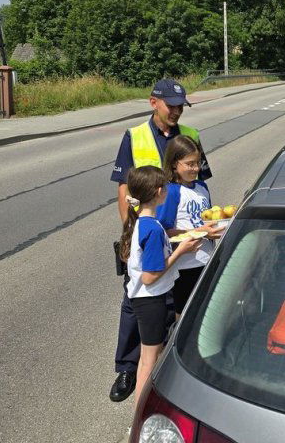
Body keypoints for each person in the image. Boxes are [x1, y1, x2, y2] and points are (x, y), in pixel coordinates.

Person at [108, 78, 211, 403]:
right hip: (145, 230)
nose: (176, 111)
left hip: (176, 232)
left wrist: (208, 222)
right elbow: (124, 187)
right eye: (171, 105)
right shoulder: (135, 136)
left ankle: (168, 358)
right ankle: (127, 366)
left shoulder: (190, 136)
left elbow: (202, 186)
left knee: (172, 298)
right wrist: (131, 233)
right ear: (154, 102)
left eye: (181, 106)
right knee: (135, 300)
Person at [118, 165, 202, 407]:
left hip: (146, 299)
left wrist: (181, 243)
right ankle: (141, 411)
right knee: (149, 360)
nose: (167, 189)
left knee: (149, 356)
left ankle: (142, 406)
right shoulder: (153, 229)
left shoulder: (142, 222)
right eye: (164, 186)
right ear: (158, 192)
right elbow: (150, 276)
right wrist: (181, 252)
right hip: (151, 300)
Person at [157, 136, 222, 322]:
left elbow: (206, 218)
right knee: (184, 314)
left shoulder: (202, 187)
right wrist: (200, 232)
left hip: (206, 260)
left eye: (198, 163)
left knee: (204, 310)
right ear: (174, 164)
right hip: (185, 265)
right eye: (189, 164)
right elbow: (164, 231)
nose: (195, 168)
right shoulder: (171, 191)